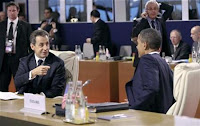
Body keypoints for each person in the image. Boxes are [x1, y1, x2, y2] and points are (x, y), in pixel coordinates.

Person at [126, 28, 174, 113]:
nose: (137, 47)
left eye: (138, 43)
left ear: (145, 45)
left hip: (150, 117)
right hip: (165, 114)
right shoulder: (162, 61)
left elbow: (151, 89)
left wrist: (134, 107)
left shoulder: (147, 60)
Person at [14, 30, 66, 98]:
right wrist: (32, 73)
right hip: (25, 101)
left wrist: (39, 97)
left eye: (47, 44)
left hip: (46, 101)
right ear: (32, 46)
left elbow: (57, 89)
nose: (45, 48)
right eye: (41, 45)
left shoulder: (57, 63)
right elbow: (17, 82)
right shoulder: (25, 61)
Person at [0, 2, 32, 92]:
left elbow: (31, 44)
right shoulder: (1, 25)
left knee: (21, 86)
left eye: (14, 10)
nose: (11, 13)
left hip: (19, 59)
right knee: (2, 86)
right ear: (7, 12)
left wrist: (29, 59)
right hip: (4, 59)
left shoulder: (26, 26)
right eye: (9, 11)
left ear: (18, 11)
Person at [132, 0, 173, 67]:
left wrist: (158, 4)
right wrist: (143, 19)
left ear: (158, 10)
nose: (153, 11)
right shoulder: (139, 21)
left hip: (159, 58)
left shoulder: (161, 20)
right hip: (144, 59)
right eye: (150, 9)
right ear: (146, 11)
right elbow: (134, 34)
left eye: (155, 9)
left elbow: (170, 8)